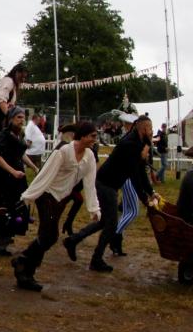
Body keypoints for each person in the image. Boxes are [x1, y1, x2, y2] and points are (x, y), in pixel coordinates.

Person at [64, 115, 161, 272]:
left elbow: (141, 170)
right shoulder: (131, 144)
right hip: (106, 185)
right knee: (111, 224)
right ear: (144, 129)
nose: (151, 132)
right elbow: (135, 176)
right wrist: (145, 199)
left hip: (109, 184)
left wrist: (151, 192)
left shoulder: (138, 142)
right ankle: (96, 260)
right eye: (150, 129)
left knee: (104, 222)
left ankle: (73, 240)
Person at [11, 121, 100, 291]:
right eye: (92, 136)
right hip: (46, 195)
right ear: (82, 136)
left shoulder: (89, 157)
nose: (95, 139)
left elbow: (90, 184)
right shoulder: (63, 152)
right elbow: (45, 174)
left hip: (61, 198)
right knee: (50, 235)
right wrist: (28, 196)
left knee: (46, 235)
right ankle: (23, 262)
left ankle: (25, 269)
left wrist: (94, 208)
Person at [0, 107, 37, 255]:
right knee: (7, 210)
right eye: (19, 117)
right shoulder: (4, 135)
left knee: (14, 210)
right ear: (11, 118)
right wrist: (12, 171)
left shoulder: (19, 135)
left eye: (23, 117)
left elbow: (20, 154)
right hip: (4, 179)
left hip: (16, 178)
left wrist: (33, 167)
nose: (22, 120)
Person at [0, 63, 28, 133]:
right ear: (16, 72)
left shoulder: (13, 84)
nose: (23, 80)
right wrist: (11, 117)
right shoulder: (8, 81)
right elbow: (1, 101)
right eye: (22, 76)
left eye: (25, 77)